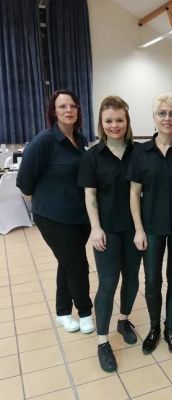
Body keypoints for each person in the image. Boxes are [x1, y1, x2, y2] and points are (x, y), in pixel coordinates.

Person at [128, 93, 172, 356]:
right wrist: (138, 229)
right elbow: (134, 193)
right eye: (162, 113)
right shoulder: (140, 152)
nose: (167, 118)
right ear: (154, 118)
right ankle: (154, 328)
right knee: (152, 280)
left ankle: (170, 329)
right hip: (151, 227)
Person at [16, 89, 94, 334]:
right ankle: (85, 313)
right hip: (53, 218)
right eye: (62, 106)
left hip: (79, 217)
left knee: (67, 263)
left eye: (73, 106)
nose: (69, 110)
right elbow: (24, 182)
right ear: (53, 111)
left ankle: (62, 312)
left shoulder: (80, 139)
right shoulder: (44, 141)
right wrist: (47, 200)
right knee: (78, 266)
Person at [78, 96, 142, 372]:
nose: (114, 125)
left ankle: (124, 320)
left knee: (132, 279)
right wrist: (95, 227)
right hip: (106, 231)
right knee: (107, 283)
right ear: (101, 124)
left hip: (134, 229)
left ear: (127, 121)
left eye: (119, 119)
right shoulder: (92, 156)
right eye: (108, 120)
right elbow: (90, 195)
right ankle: (102, 341)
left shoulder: (139, 152)